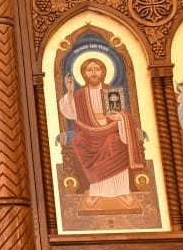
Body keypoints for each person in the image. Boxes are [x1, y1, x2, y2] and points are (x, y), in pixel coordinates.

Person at [57, 58, 143, 212]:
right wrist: (69, 92)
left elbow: (124, 114)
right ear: (84, 74)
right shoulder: (79, 95)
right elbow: (69, 113)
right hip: (90, 134)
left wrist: (121, 118)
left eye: (97, 69)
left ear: (103, 72)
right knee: (78, 140)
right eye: (89, 70)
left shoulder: (111, 93)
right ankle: (97, 191)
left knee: (112, 141)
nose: (93, 73)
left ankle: (122, 191)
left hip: (112, 131)